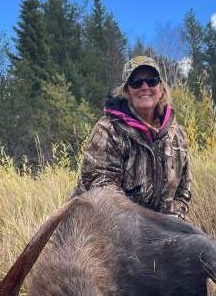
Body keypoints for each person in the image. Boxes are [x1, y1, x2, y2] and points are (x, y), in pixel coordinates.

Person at [73, 56, 192, 219]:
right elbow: (102, 191)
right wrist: (149, 229)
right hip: (106, 226)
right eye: (136, 82)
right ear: (127, 91)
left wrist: (173, 218)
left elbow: (183, 192)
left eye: (152, 81)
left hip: (162, 228)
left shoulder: (177, 135)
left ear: (161, 89)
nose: (145, 87)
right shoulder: (108, 130)